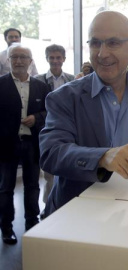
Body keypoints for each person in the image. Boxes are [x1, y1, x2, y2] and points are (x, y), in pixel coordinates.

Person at [39, 11, 128, 217]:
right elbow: (51, 153)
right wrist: (102, 157)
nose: (102, 53)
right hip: (74, 218)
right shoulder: (63, 97)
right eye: (95, 43)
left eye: (113, 43)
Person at [0, 43, 50, 244]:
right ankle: (6, 229)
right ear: (8, 60)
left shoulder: (41, 86)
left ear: (31, 61)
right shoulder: (1, 84)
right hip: (6, 144)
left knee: (32, 186)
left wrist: (36, 118)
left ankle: (32, 226)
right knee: (5, 188)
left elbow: (49, 113)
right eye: (15, 57)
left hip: (32, 143)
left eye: (23, 57)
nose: (19, 61)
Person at [34, 44, 75, 218]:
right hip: (46, 129)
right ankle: (48, 207)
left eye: (58, 57)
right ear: (47, 59)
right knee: (49, 172)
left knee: (66, 170)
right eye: (52, 58)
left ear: (64, 59)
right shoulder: (38, 80)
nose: (55, 61)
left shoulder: (72, 79)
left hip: (68, 130)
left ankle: (63, 207)